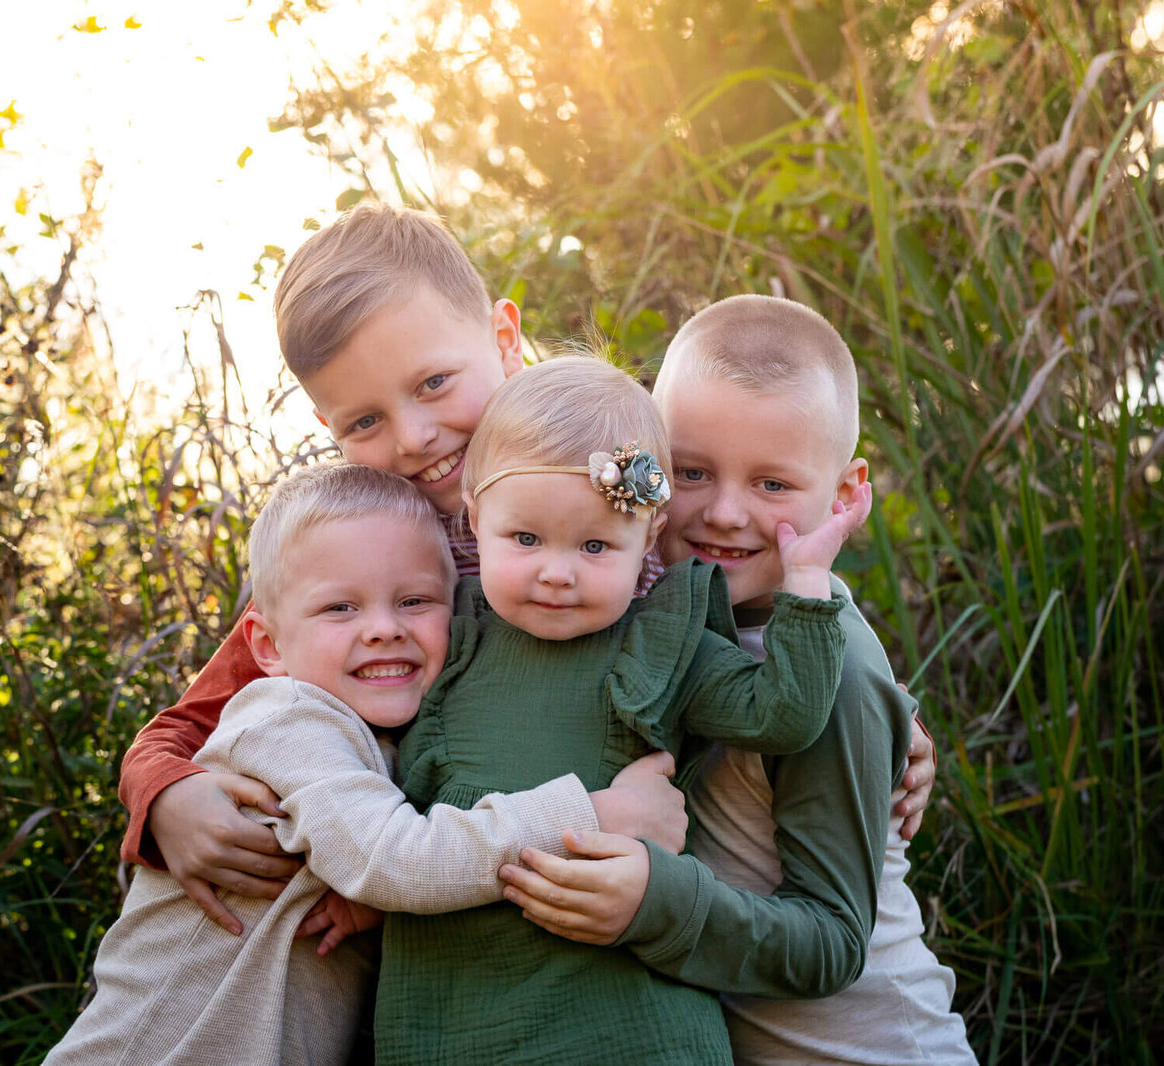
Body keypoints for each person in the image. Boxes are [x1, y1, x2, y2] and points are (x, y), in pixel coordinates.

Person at [116, 202, 936, 940]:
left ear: (504, 339)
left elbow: (741, 561)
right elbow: (207, 709)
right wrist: (163, 797)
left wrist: (880, 717)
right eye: (364, 420)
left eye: (435, 383)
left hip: (603, 877)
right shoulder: (361, 546)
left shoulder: (600, 462)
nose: (412, 437)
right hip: (436, 883)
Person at [499, 296, 976, 1064]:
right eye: (691, 471)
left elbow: (833, 942)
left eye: (773, 486)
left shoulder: (837, 676)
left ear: (847, 494)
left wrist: (655, 903)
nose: (724, 513)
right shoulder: (652, 598)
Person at [372, 354, 871, 1064]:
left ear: (650, 538)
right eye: (525, 539)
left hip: (624, 1020)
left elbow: (784, 715)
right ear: (477, 517)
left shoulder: (659, 643)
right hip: (452, 1005)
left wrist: (810, 585)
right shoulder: (442, 627)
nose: (556, 570)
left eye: (597, 545)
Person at [46, 463, 632, 1065]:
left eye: (414, 601)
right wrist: (593, 815)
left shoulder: (380, 736)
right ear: (269, 647)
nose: (383, 629)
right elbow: (397, 862)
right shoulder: (289, 716)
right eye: (339, 609)